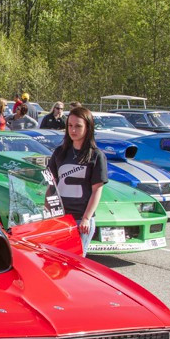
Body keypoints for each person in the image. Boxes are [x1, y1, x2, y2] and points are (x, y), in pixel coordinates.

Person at [47, 106, 108, 256]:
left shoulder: (96, 155)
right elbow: (51, 185)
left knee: (76, 262)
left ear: (88, 127)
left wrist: (86, 218)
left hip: (81, 220)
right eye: (70, 125)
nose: (73, 130)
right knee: (57, 260)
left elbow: (97, 190)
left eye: (78, 126)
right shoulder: (60, 152)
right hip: (60, 218)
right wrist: (48, 211)